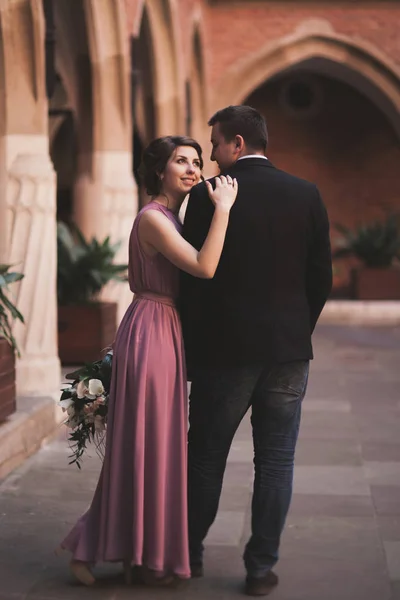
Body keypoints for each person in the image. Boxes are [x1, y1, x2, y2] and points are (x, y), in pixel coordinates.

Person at [57, 135, 238, 587]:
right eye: (181, 161)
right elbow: (204, 266)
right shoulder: (154, 219)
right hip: (152, 328)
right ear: (159, 171)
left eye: (197, 162)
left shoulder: (169, 218)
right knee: (143, 447)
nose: (194, 169)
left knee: (156, 447)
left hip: (163, 329)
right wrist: (224, 210)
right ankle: (93, 546)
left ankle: (139, 552)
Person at [180, 105, 333, 596]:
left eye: (216, 146)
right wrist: (295, 330)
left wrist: (193, 344)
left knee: (205, 457)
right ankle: (260, 568)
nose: (212, 157)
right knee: (276, 462)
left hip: (224, 351)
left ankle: (190, 554)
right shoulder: (306, 193)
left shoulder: (209, 197)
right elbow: (321, 277)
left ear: (238, 144)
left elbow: (192, 280)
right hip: (288, 352)